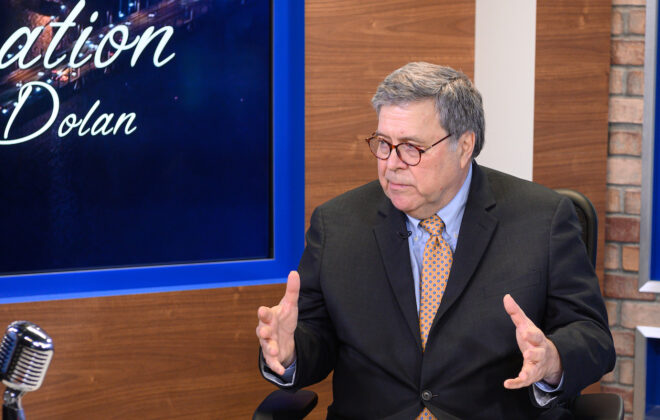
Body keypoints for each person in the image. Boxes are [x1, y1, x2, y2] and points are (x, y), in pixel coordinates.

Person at [256, 62, 615, 419]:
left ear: (464, 146)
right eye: (383, 143)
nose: (391, 164)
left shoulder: (542, 220)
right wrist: (289, 354)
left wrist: (553, 359)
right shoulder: (337, 224)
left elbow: (592, 336)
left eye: (411, 147)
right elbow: (314, 336)